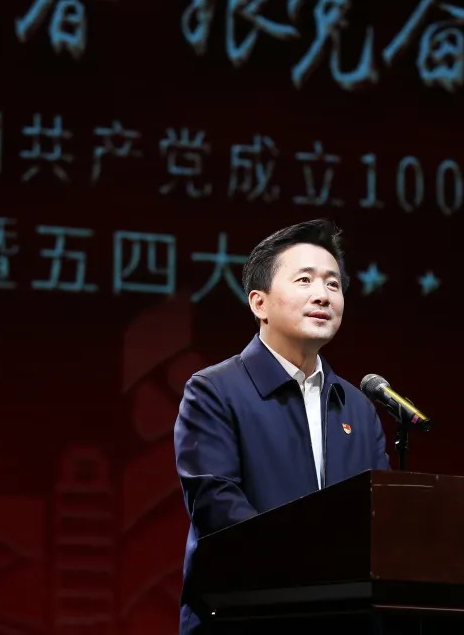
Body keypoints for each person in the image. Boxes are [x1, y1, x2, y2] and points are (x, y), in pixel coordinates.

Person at [173, 218, 391, 634]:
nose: (322, 295)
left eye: (333, 284)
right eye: (305, 280)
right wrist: (318, 570)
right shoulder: (214, 391)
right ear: (259, 303)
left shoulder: (359, 408)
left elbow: (379, 519)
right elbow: (219, 508)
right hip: (244, 618)